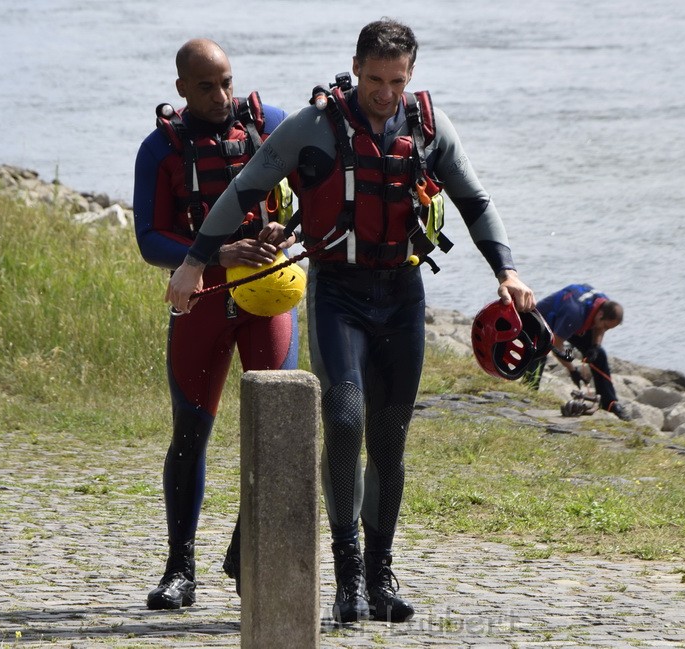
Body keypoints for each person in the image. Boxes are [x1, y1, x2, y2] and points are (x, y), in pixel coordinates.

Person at [164, 19, 535, 623]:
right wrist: (193, 262)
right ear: (356, 68)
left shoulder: (430, 128)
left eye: (396, 80)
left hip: (402, 294)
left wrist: (507, 271)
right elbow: (242, 188)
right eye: (373, 79)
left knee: (389, 439)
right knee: (343, 416)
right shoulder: (315, 127)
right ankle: (348, 572)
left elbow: (475, 201)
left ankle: (382, 573)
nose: (384, 92)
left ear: (410, 74)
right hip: (339, 294)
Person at [132, 38, 298, 610]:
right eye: (206, 87)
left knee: (280, 430)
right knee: (190, 434)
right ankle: (180, 569)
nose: (221, 95)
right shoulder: (160, 150)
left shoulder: (271, 127)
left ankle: (245, 547)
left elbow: (313, 199)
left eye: (226, 82)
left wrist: (285, 232)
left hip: (267, 299)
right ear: (181, 88)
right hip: (202, 302)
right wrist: (218, 254)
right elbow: (150, 240)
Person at [525, 283, 630, 421]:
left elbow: (600, 328)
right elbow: (556, 344)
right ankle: (528, 392)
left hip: (572, 322)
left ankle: (610, 403)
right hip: (543, 321)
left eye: (609, 328)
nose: (605, 330)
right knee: (541, 351)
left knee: (600, 356)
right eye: (605, 326)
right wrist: (573, 370)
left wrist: (595, 347)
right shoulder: (574, 313)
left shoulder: (604, 303)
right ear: (600, 314)